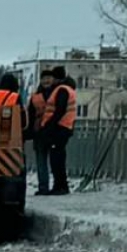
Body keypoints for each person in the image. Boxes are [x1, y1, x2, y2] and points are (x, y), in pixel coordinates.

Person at [40, 65, 78, 195]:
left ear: (57, 78)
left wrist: (49, 125)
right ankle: (60, 185)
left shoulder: (62, 90)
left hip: (59, 129)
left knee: (57, 159)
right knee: (58, 158)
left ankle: (60, 186)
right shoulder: (69, 89)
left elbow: (59, 110)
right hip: (65, 127)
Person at [27, 69, 55, 195]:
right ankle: (43, 187)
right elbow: (30, 115)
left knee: (54, 161)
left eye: (49, 78)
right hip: (39, 131)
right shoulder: (36, 97)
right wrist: (29, 132)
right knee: (41, 161)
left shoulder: (58, 93)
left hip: (53, 130)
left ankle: (55, 186)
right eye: (44, 78)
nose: (46, 81)